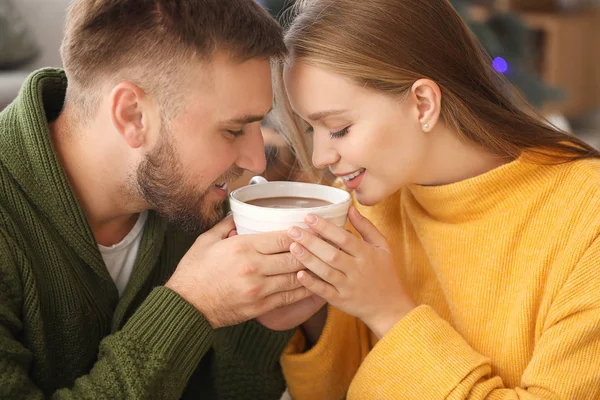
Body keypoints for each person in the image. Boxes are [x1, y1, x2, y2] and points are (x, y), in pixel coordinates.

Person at [272, 0, 600, 398]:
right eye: (312, 130)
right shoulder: (364, 203)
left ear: (423, 104)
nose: (322, 157)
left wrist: (388, 313)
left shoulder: (587, 217)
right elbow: (335, 391)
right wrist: (313, 317)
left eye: (339, 129)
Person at [0, 0, 323, 398]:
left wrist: (263, 323)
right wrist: (190, 308)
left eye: (260, 123)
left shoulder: (187, 200)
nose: (257, 160)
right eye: (233, 130)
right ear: (133, 115)